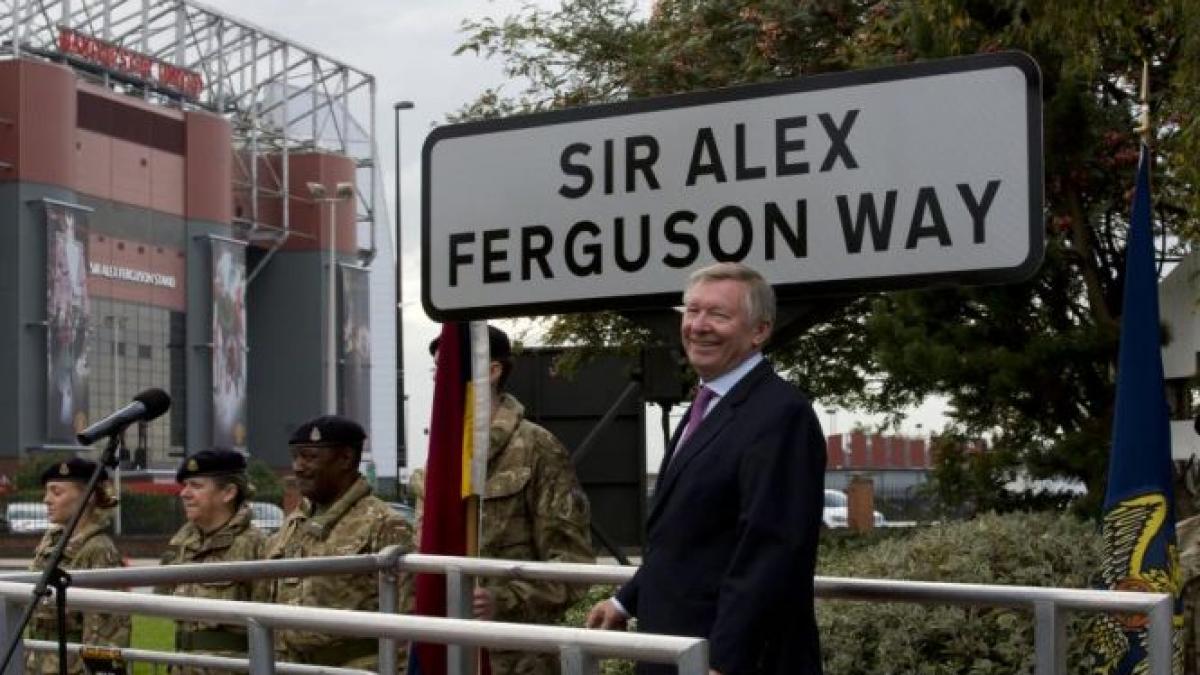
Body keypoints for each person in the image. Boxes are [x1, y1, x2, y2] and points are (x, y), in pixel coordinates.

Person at [586, 262, 826, 675]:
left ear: (760, 331)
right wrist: (626, 601)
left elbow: (772, 552)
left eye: (718, 314)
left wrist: (725, 660)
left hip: (728, 660)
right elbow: (685, 536)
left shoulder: (782, 414)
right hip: (674, 649)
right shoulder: (708, 404)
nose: (698, 326)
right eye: (692, 311)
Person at [428, 326, 594, 675]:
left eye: (449, 372)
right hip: (441, 650)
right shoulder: (441, 458)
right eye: (436, 372)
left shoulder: (537, 448)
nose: (439, 384)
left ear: (493, 371)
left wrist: (502, 601)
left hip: (515, 658)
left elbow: (573, 566)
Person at [265, 415, 414, 670]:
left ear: (345, 459)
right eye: (296, 457)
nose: (298, 467)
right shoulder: (295, 522)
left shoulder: (384, 524)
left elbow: (407, 621)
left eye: (310, 457)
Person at [159, 448, 267, 674]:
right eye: (185, 485)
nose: (184, 493)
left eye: (196, 486)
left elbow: (271, 625)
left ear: (228, 492)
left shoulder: (256, 546)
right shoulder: (183, 545)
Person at [26, 458, 131, 675]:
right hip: (36, 663)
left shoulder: (98, 549)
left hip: (71, 666)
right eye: (47, 492)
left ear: (88, 496)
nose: (46, 500)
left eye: (57, 492)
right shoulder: (52, 540)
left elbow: (105, 629)